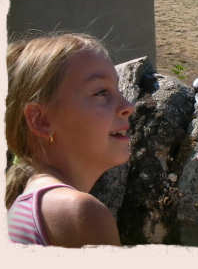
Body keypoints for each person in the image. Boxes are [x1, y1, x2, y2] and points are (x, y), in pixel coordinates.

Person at [5, 33, 134, 247]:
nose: (128, 106)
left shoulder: (28, 204)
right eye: (101, 92)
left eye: (118, 90)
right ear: (41, 120)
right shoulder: (79, 212)